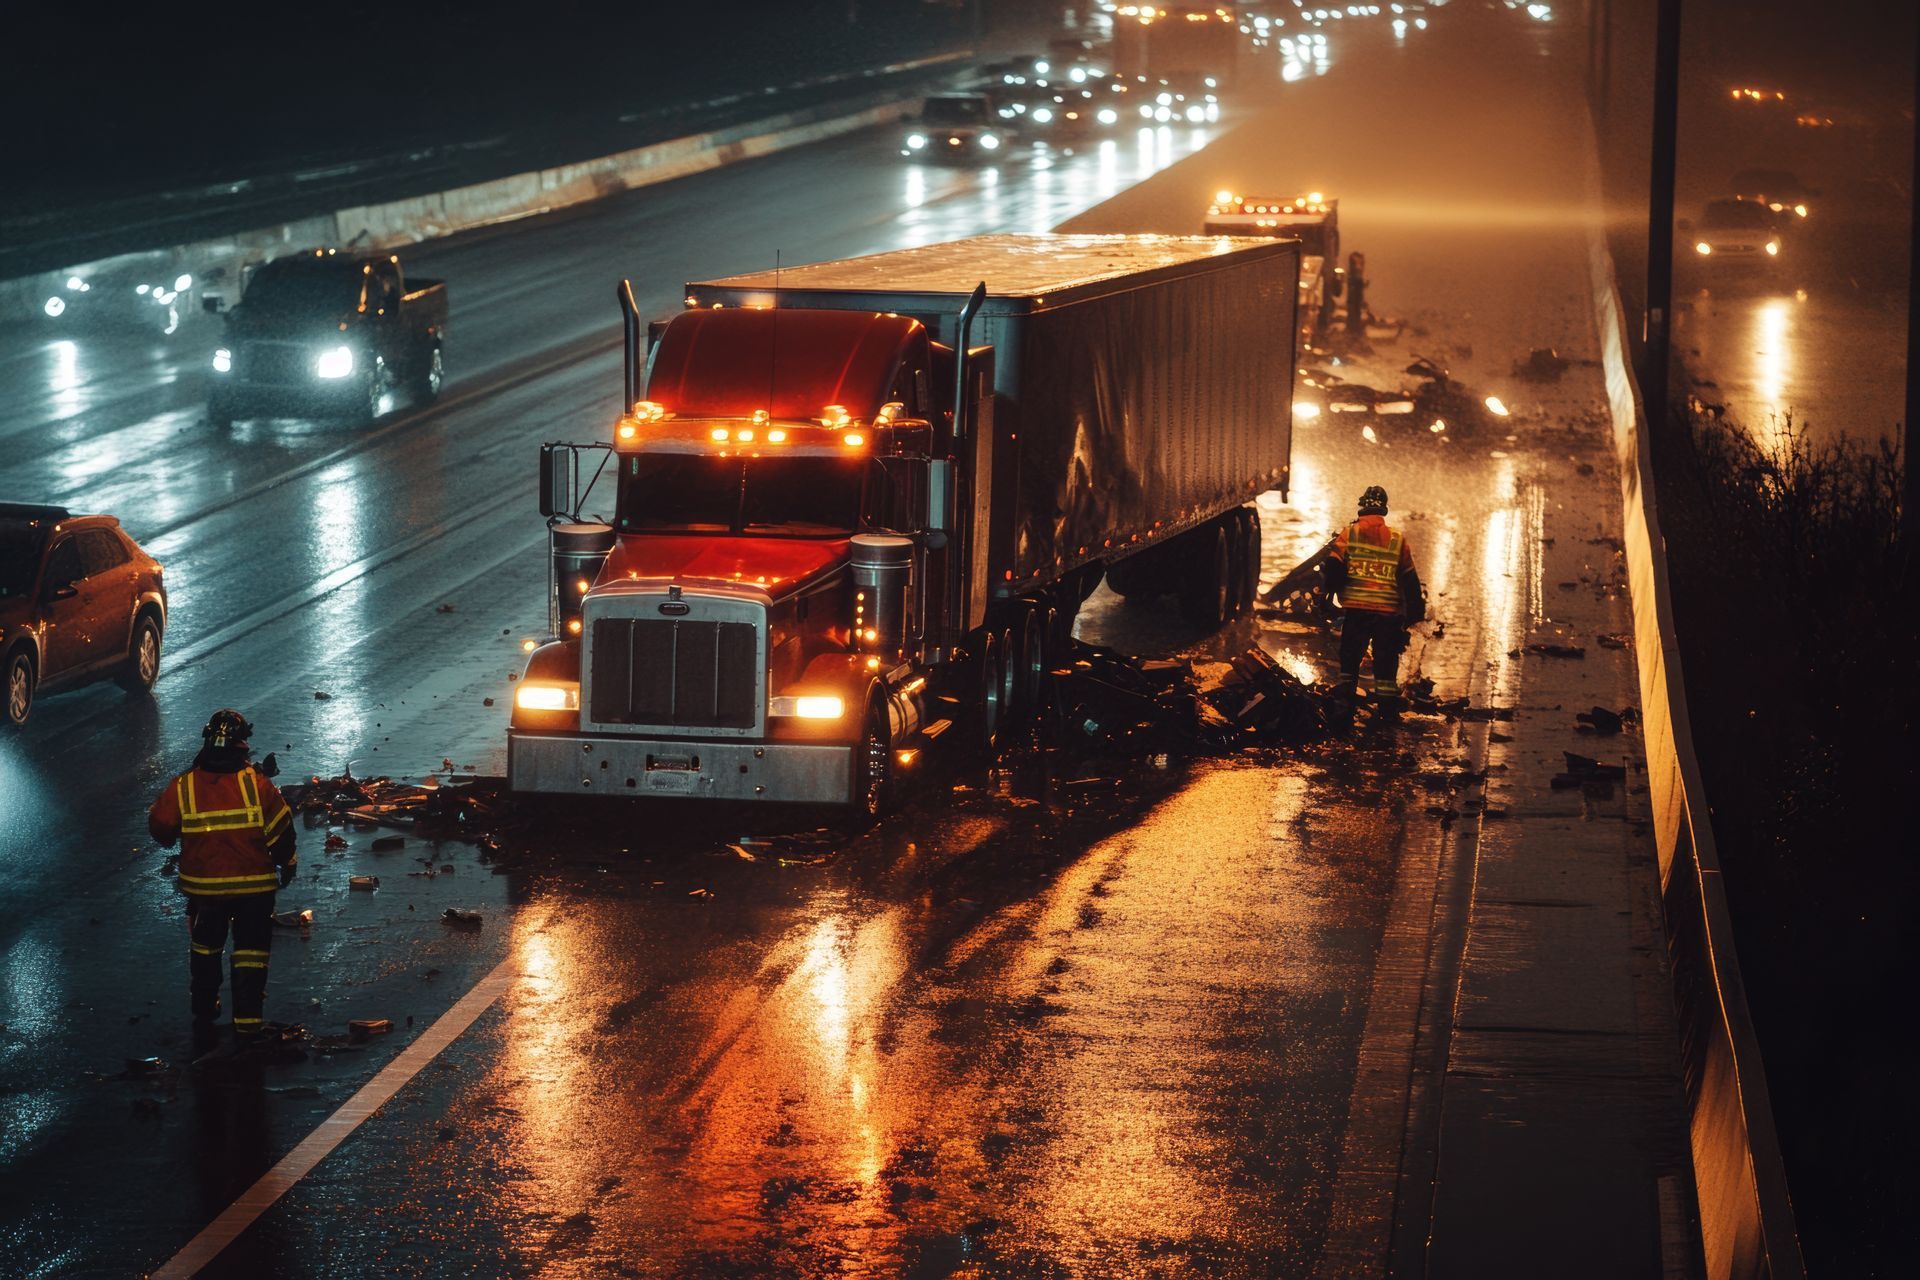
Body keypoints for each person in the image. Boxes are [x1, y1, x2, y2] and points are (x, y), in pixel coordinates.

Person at [148, 709, 296, 1044]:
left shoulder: (183, 786)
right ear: (242, 745)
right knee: (251, 955)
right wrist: (287, 863)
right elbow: (282, 833)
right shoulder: (257, 786)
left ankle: (204, 1012)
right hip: (255, 890)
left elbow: (160, 827)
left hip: (206, 891)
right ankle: (247, 1026)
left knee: (205, 950)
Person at [1324, 485, 1423, 706]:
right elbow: (1410, 579)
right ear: (1384, 510)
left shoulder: (1349, 534)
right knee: (1386, 664)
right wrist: (1415, 613)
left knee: (1350, 660)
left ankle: (1345, 705)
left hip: (1357, 611)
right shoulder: (1397, 539)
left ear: (1362, 508)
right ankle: (1387, 711)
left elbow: (1332, 568)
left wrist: (1331, 596)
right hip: (1388, 614)